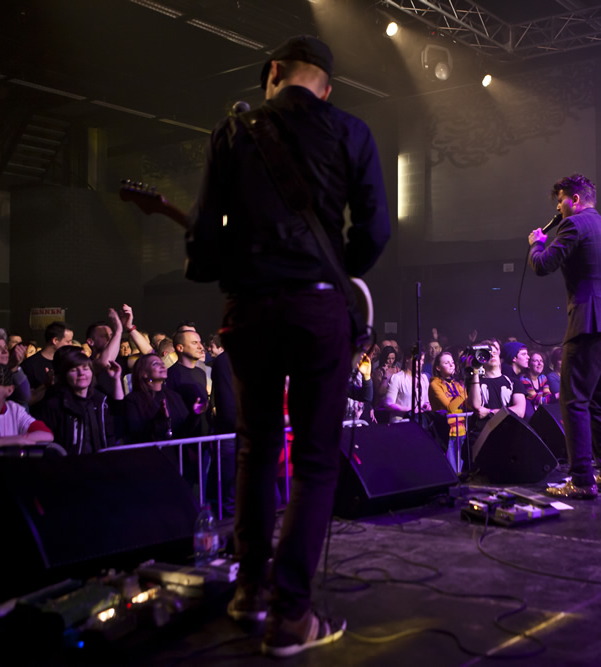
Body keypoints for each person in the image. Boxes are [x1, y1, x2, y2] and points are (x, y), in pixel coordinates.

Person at [187, 35, 390, 657]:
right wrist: (336, 271)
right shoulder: (351, 131)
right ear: (326, 86)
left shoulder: (234, 132)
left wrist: (232, 261)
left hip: (247, 310)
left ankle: (249, 592)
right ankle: (292, 614)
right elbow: (375, 229)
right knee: (317, 460)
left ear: (273, 73)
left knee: (255, 447)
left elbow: (203, 239)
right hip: (316, 308)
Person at [528, 173, 601, 499]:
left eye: (560, 200)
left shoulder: (574, 225)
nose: (559, 209)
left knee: (574, 402)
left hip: (590, 322)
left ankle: (581, 480)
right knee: (598, 402)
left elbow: (543, 265)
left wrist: (536, 243)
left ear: (574, 199)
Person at [33, 351, 115, 455]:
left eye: (86, 369)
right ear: (65, 375)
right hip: (68, 466)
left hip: (99, 464)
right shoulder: (55, 404)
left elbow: (111, 435)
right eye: (74, 370)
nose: (81, 374)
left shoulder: (100, 402)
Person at [122, 353, 200, 445]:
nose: (162, 366)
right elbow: (136, 435)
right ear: (144, 373)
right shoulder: (132, 400)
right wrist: (160, 419)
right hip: (152, 455)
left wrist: (194, 414)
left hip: (175, 455)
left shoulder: (174, 396)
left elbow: (184, 431)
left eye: (162, 363)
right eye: (155, 364)